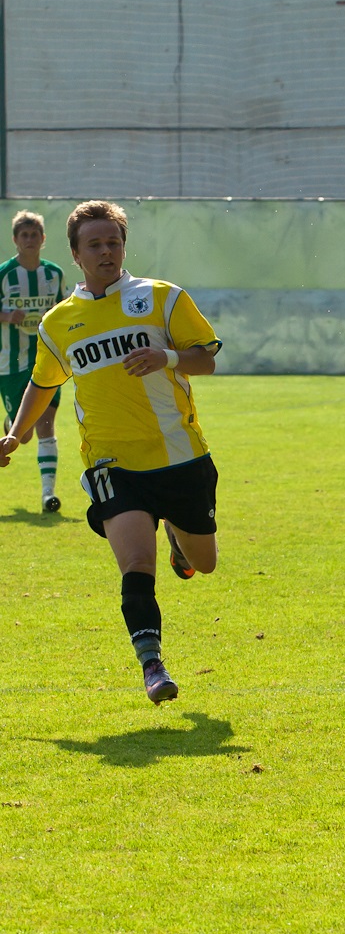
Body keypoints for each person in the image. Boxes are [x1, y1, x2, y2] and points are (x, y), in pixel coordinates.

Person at [0, 200, 221, 706]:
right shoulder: (59, 323)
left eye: (114, 242)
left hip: (180, 456)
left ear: (124, 246)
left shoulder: (162, 297)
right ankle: (152, 665)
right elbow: (42, 383)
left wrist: (164, 356)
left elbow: (205, 360)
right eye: (95, 245)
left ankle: (180, 541)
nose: (106, 252)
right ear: (75, 255)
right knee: (136, 564)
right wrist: (15, 434)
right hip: (112, 463)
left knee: (205, 564)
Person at [0, 210, 65, 512]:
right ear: (15, 240)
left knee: (46, 423)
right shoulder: (4, 274)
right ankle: (13, 423)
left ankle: (48, 495)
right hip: (11, 363)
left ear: (43, 239)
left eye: (34, 234)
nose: (29, 239)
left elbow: (64, 311)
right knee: (22, 435)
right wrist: (5, 316)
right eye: (23, 235)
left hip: (47, 359)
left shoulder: (54, 274)